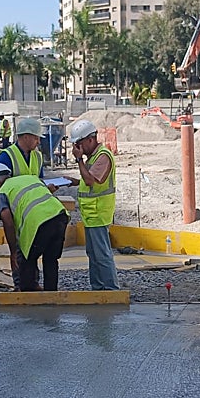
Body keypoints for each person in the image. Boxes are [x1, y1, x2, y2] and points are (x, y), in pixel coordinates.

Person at [0, 163, 68, 292]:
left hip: (39, 223)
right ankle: (51, 298)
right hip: (60, 216)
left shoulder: (2, 193)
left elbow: (7, 219)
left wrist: (13, 251)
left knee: (26, 259)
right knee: (51, 260)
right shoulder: (29, 178)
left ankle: (28, 298)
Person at [65, 119, 119, 291]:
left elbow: (90, 181)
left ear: (90, 139)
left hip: (99, 214)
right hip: (91, 215)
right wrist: (74, 181)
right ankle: (98, 288)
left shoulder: (103, 156)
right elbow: (87, 180)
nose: (77, 149)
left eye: (79, 144)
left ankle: (110, 289)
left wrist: (79, 160)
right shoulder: (94, 157)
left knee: (102, 255)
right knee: (93, 254)